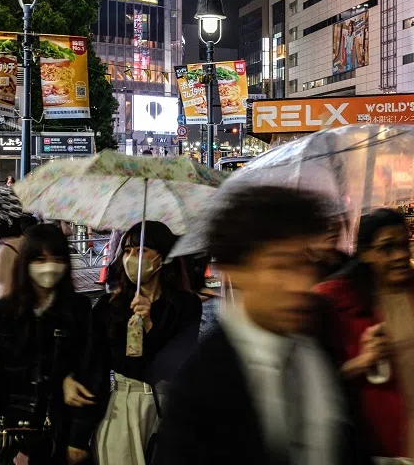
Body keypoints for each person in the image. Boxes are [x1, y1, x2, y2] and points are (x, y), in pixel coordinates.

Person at [151, 186, 371, 464]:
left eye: (306, 263)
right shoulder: (201, 382)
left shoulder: (322, 332)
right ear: (235, 271)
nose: (301, 283)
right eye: (280, 266)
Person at [318, 208, 414, 465]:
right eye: (387, 247)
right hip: (375, 442)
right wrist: (362, 361)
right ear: (366, 253)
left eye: (404, 244)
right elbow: (315, 378)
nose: (401, 255)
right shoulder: (334, 298)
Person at [0, 223, 92, 465]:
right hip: (5, 437)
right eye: (39, 259)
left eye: (57, 258)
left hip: (57, 437)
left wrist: (78, 437)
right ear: (25, 262)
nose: (49, 267)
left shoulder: (78, 311)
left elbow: (91, 368)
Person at [69, 221, 200, 465]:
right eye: (127, 251)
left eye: (141, 251)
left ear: (162, 257)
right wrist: (78, 436)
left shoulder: (186, 305)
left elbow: (178, 365)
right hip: (122, 408)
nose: (132, 258)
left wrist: (150, 324)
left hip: (168, 410)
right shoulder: (109, 306)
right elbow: (93, 368)